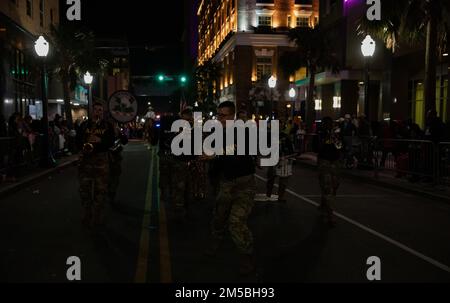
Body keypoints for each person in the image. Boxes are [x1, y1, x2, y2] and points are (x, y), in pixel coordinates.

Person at [205, 101, 257, 276]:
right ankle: (215, 240)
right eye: (218, 115)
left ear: (233, 116)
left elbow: (238, 147)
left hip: (245, 184)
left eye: (223, 115)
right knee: (219, 218)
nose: (219, 118)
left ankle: (246, 257)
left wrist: (216, 153)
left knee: (236, 222)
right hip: (226, 183)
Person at [77, 102, 116, 229]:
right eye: (96, 110)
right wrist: (85, 142)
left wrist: (100, 141)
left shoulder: (108, 126)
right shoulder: (85, 125)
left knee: (100, 190)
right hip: (86, 161)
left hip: (101, 161)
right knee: (85, 190)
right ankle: (87, 213)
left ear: (103, 112)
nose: (98, 112)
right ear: (92, 111)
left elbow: (111, 142)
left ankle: (97, 216)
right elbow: (77, 140)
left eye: (100, 110)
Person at [317, 117, 342, 227]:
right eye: (326, 123)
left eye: (330, 123)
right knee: (327, 187)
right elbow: (318, 147)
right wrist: (325, 137)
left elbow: (339, 146)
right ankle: (330, 215)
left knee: (335, 184)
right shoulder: (320, 133)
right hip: (324, 161)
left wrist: (335, 137)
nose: (329, 125)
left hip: (335, 161)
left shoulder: (336, 133)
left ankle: (323, 203)